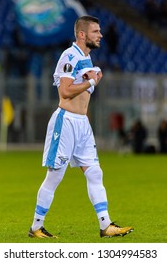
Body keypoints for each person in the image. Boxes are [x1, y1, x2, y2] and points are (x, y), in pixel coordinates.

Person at [28, 15, 134, 238]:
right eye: (96, 31)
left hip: (82, 124)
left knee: (95, 173)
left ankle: (106, 226)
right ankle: (36, 227)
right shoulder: (69, 56)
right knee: (55, 175)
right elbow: (65, 92)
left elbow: (82, 88)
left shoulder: (86, 60)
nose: (100, 35)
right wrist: (92, 81)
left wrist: (91, 79)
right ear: (82, 35)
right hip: (65, 122)